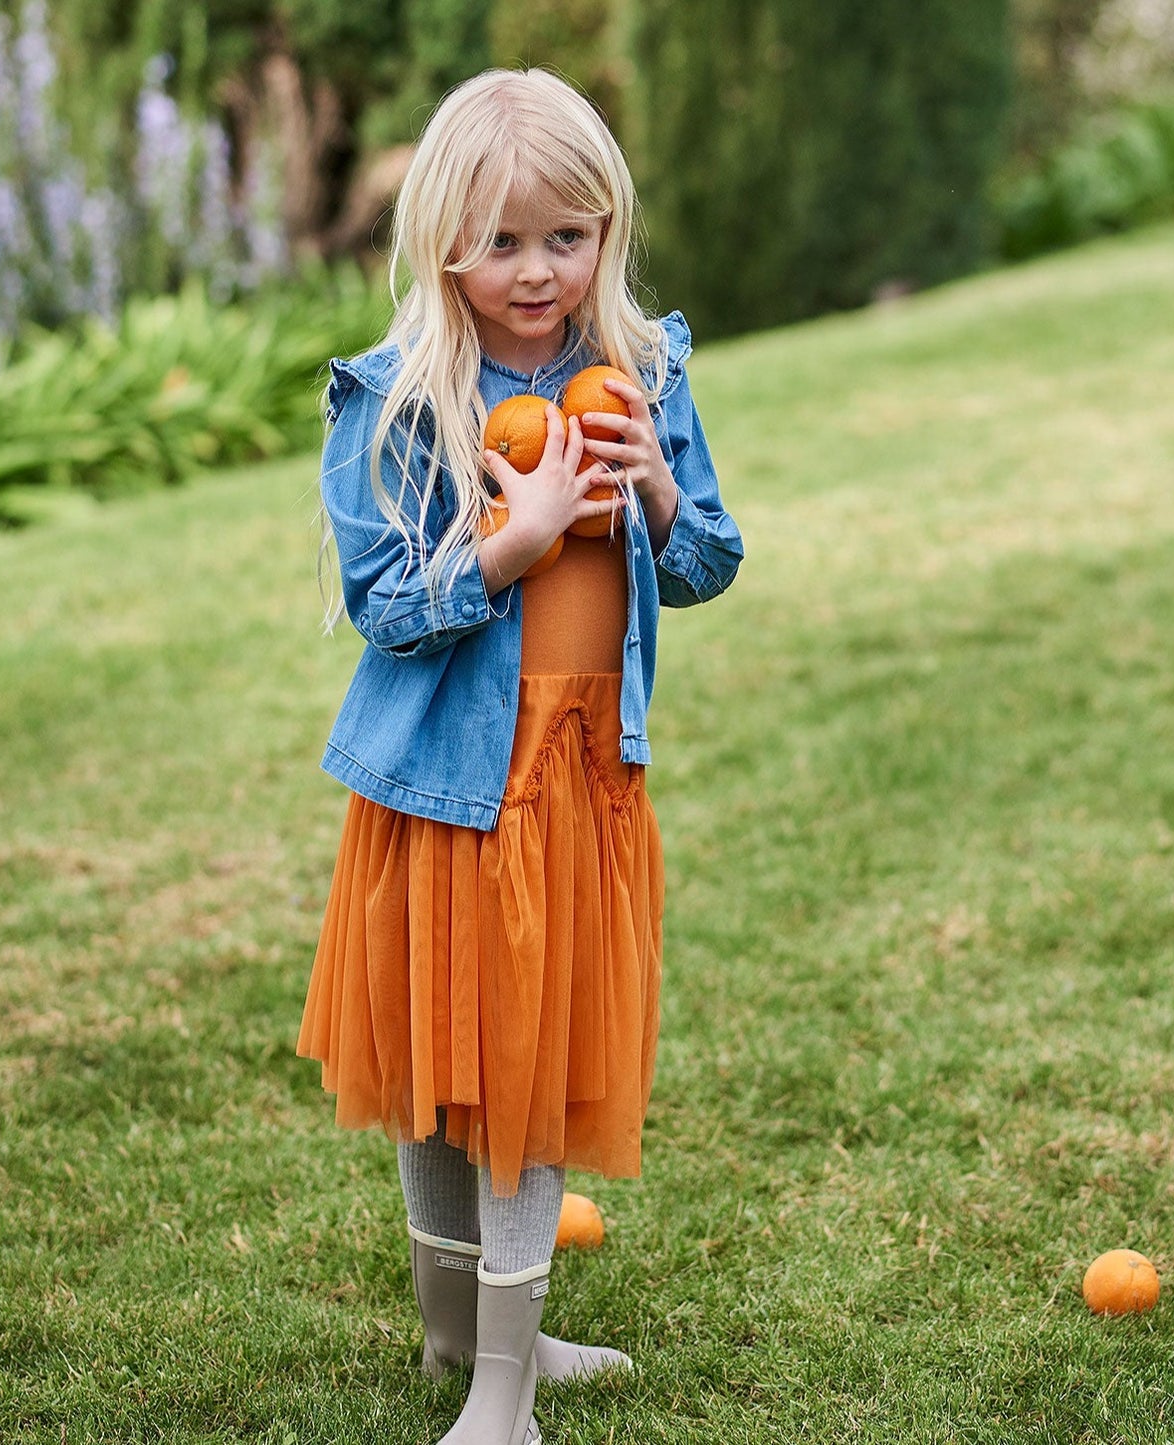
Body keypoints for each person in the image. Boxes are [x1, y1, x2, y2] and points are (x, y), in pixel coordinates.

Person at [297, 67, 742, 1444]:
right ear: (443, 244)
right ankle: (461, 1350)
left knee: (532, 1069)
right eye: (502, 243)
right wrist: (520, 533)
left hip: (579, 782)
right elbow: (384, 607)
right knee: (442, 1066)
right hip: (449, 788)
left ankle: (504, 1373)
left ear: (606, 229)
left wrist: (654, 486)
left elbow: (711, 560)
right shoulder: (398, 395)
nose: (537, 271)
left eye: (569, 236)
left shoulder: (645, 373)